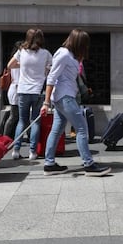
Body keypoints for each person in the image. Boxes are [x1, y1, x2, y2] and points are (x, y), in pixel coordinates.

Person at [41, 29, 111, 177]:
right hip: (65, 97)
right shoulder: (64, 54)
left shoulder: (69, 55)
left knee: (57, 130)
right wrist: (46, 103)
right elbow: (52, 78)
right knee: (82, 129)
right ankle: (88, 164)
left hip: (64, 97)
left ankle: (49, 163)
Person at [8, 29, 52, 160]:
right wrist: (44, 70)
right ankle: (32, 152)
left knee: (22, 120)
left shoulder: (21, 52)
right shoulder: (45, 53)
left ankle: (16, 150)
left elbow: (10, 65)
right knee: (35, 122)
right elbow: (52, 67)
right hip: (37, 91)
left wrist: (23, 65)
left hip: (22, 90)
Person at [2, 41, 22, 139]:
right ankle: (5, 137)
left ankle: (6, 135)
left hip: (16, 89)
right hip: (16, 89)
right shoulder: (17, 63)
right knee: (14, 116)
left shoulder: (14, 62)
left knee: (14, 115)